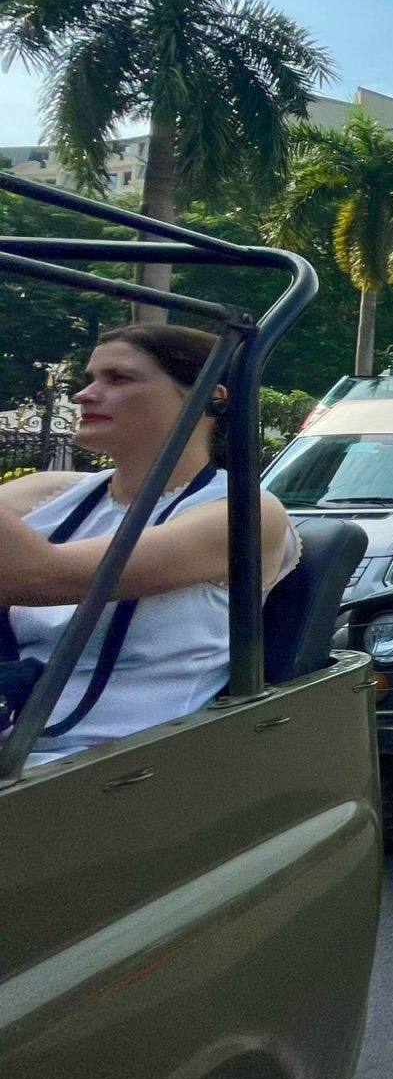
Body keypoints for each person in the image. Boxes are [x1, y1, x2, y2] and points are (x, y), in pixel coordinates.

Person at [1, 325, 300, 766]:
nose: (85, 394)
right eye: (90, 378)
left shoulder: (244, 511)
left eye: (118, 378)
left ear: (207, 399)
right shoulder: (47, 491)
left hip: (122, 766)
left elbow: (43, 577)